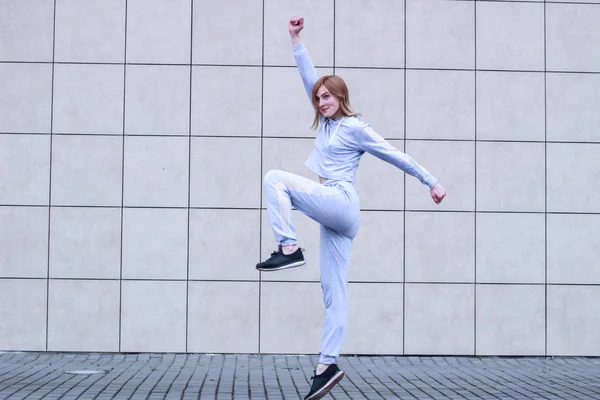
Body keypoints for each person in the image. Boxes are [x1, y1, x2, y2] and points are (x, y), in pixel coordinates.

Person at [256, 16, 447, 400]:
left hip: (341, 202)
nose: (322, 102)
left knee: (275, 178)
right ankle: (327, 366)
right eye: (318, 98)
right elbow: (307, 76)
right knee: (334, 292)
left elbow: (394, 155)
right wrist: (295, 40)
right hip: (336, 219)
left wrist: (431, 181)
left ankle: (289, 248)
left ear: (341, 96)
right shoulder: (325, 126)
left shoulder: (355, 127)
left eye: (328, 96)